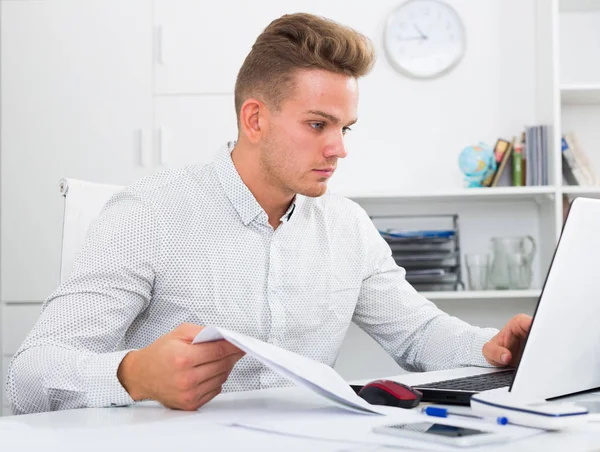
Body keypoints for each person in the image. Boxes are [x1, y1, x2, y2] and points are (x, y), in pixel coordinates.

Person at [6, 13, 531, 415]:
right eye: (318, 125)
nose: (338, 150)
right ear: (254, 119)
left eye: (344, 129)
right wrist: (133, 375)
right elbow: (28, 377)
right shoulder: (148, 215)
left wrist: (491, 348)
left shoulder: (347, 227)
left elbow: (416, 334)